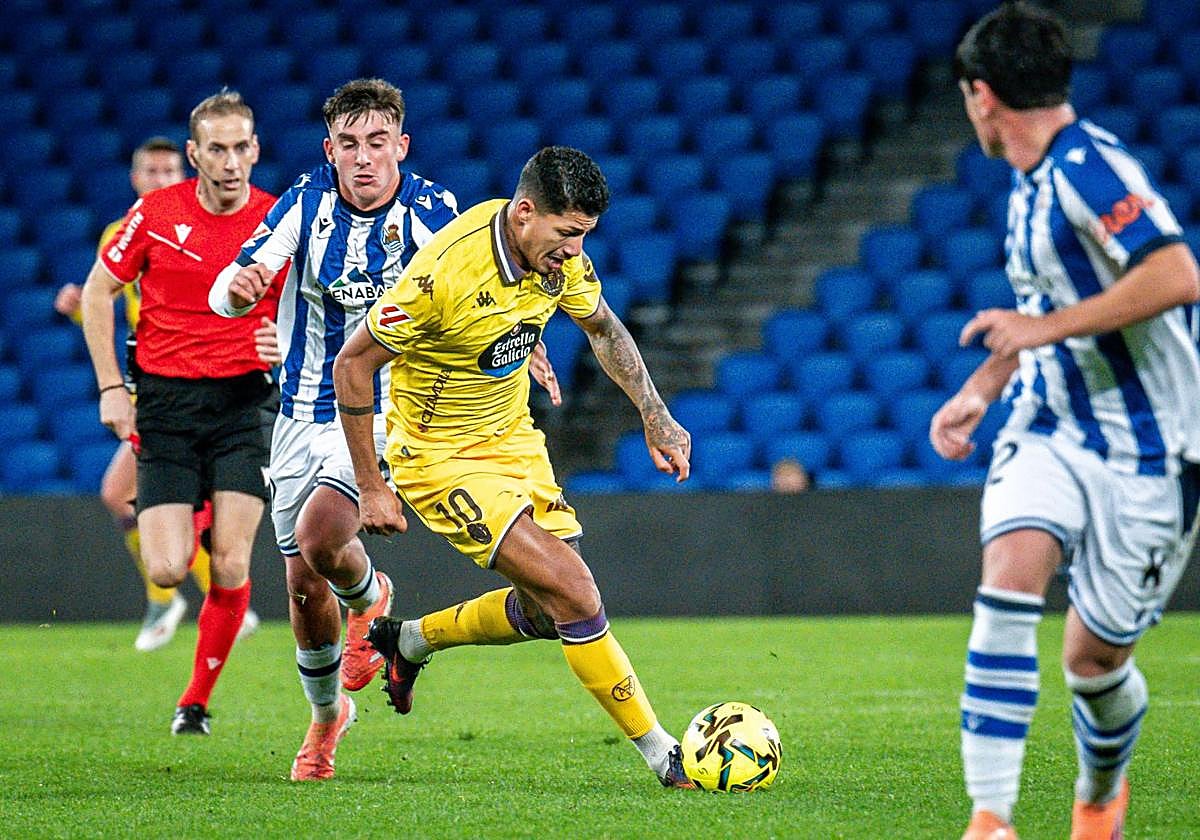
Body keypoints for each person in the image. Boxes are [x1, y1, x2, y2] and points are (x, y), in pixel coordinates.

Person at [210, 78, 562, 781]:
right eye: (349, 145)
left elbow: (495, 290)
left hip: (387, 411)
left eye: (377, 143)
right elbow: (233, 284)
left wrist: (535, 348)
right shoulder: (304, 203)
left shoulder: (434, 213)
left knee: (319, 537)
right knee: (305, 587)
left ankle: (367, 603)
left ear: (401, 146)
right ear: (329, 150)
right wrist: (237, 289)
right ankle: (329, 707)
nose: (364, 158)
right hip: (299, 413)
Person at [332, 146, 697, 789]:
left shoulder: (559, 260)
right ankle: (663, 753)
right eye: (566, 234)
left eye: (584, 236)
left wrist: (655, 413)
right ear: (525, 213)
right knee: (576, 591)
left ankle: (408, 640)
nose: (574, 250)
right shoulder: (443, 273)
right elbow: (352, 365)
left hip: (512, 438)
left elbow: (605, 328)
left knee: (548, 601)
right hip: (439, 455)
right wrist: (371, 487)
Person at [931, 5, 1200, 838]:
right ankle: (991, 820)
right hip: (1050, 428)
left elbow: (1176, 273)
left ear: (982, 96)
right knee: (1008, 580)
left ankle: (1098, 795)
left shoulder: (1089, 169)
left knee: (1094, 663)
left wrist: (1038, 331)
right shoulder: (1030, 185)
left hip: (1151, 451)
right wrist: (987, 382)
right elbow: (1041, 308)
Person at [80, 90, 282, 737]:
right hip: (164, 407)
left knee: (230, 563)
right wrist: (113, 386)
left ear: (254, 150)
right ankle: (201, 509)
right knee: (168, 568)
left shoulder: (276, 221)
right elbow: (97, 292)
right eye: (215, 149)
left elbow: (310, 313)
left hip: (243, 404)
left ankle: (194, 702)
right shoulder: (156, 213)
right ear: (196, 155)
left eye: (239, 147)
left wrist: (285, 341)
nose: (229, 161)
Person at [55, 136, 261, 652]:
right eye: (151, 171)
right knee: (131, 493)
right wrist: (80, 307)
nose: (160, 179)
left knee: (122, 490)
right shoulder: (121, 232)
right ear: (135, 177)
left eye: (169, 171)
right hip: (154, 381)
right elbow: (118, 307)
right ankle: (201, 594)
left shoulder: (207, 226)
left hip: (198, 382)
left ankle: (183, 597)